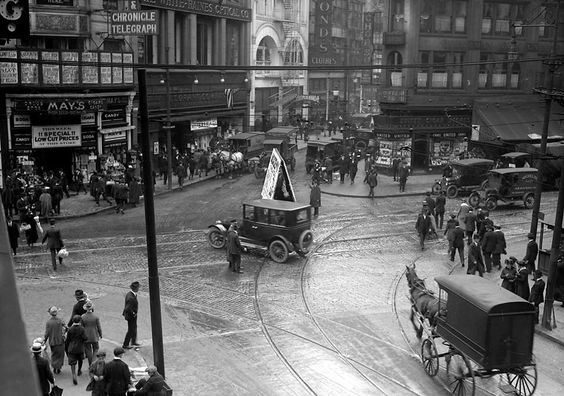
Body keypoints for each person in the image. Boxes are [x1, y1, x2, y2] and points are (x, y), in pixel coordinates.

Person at [44, 306, 67, 375]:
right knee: (60, 354)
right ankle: (58, 367)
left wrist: (44, 340)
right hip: (60, 340)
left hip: (52, 341)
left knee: (54, 354)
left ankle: (54, 367)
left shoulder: (48, 322)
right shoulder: (60, 320)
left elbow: (47, 333)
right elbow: (66, 327)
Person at [65, 315, 87, 385]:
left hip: (72, 347)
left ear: (73, 321)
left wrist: (67, 348)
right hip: (80, 347)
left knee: (72, 362)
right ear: (79, 321)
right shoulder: (82, 329)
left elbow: (67, 340)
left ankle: (74, 374)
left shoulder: (70, 329)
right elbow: (85, 338)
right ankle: (79, 370)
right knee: (80, 360)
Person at [81, 301, 103, 366]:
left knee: (88, 350)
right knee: (96, 348)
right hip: (94, 335)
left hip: (86, 335)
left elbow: (82, 327)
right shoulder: (95, 317)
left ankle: (90, 363)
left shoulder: (82, 316)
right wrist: (100, 334)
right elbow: (99, 327)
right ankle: (94, 362)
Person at [122, 281, 140, 349]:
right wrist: (133, 313)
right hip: (131, 316)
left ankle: (133, 341)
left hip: (132, 315)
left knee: (134, 328)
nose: (138, 288)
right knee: (131, 330)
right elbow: (128, 308)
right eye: (138, 287)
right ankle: (125, 344)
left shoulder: (130, 294)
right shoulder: (131, 297)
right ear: (135, 288)